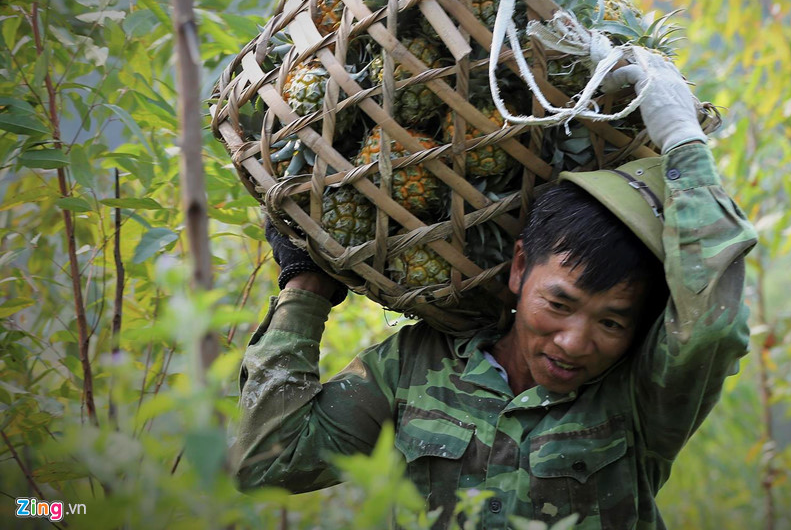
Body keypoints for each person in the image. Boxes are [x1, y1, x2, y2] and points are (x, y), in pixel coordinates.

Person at [231, 54, 758, 529]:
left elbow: (711, 323)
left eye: (612, 322)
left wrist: (683, 142)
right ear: (520, 268)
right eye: (559, 304)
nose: (574, 342)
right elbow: (272, 463)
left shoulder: (640, 399)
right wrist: (306, 288)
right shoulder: (414, 368)